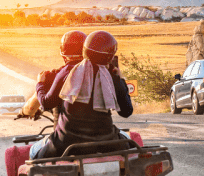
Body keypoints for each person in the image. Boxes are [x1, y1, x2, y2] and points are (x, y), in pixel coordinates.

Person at [29, 30, 133, 160]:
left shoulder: (66, 72)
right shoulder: (111, 76)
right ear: (111, 56)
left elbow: (45, 103)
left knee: (32, 152)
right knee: (130, 140)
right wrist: (120, 80)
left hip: (65, 144)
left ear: (85, 50)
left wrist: (40, 84)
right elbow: (126, 112)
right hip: (107, 143)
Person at [17, 30, 88, 122]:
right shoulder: (101, 73)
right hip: (102, 134)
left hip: (66, 133)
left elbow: (32, 107)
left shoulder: (56, 75)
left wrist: (23, 111)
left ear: (63, 54)